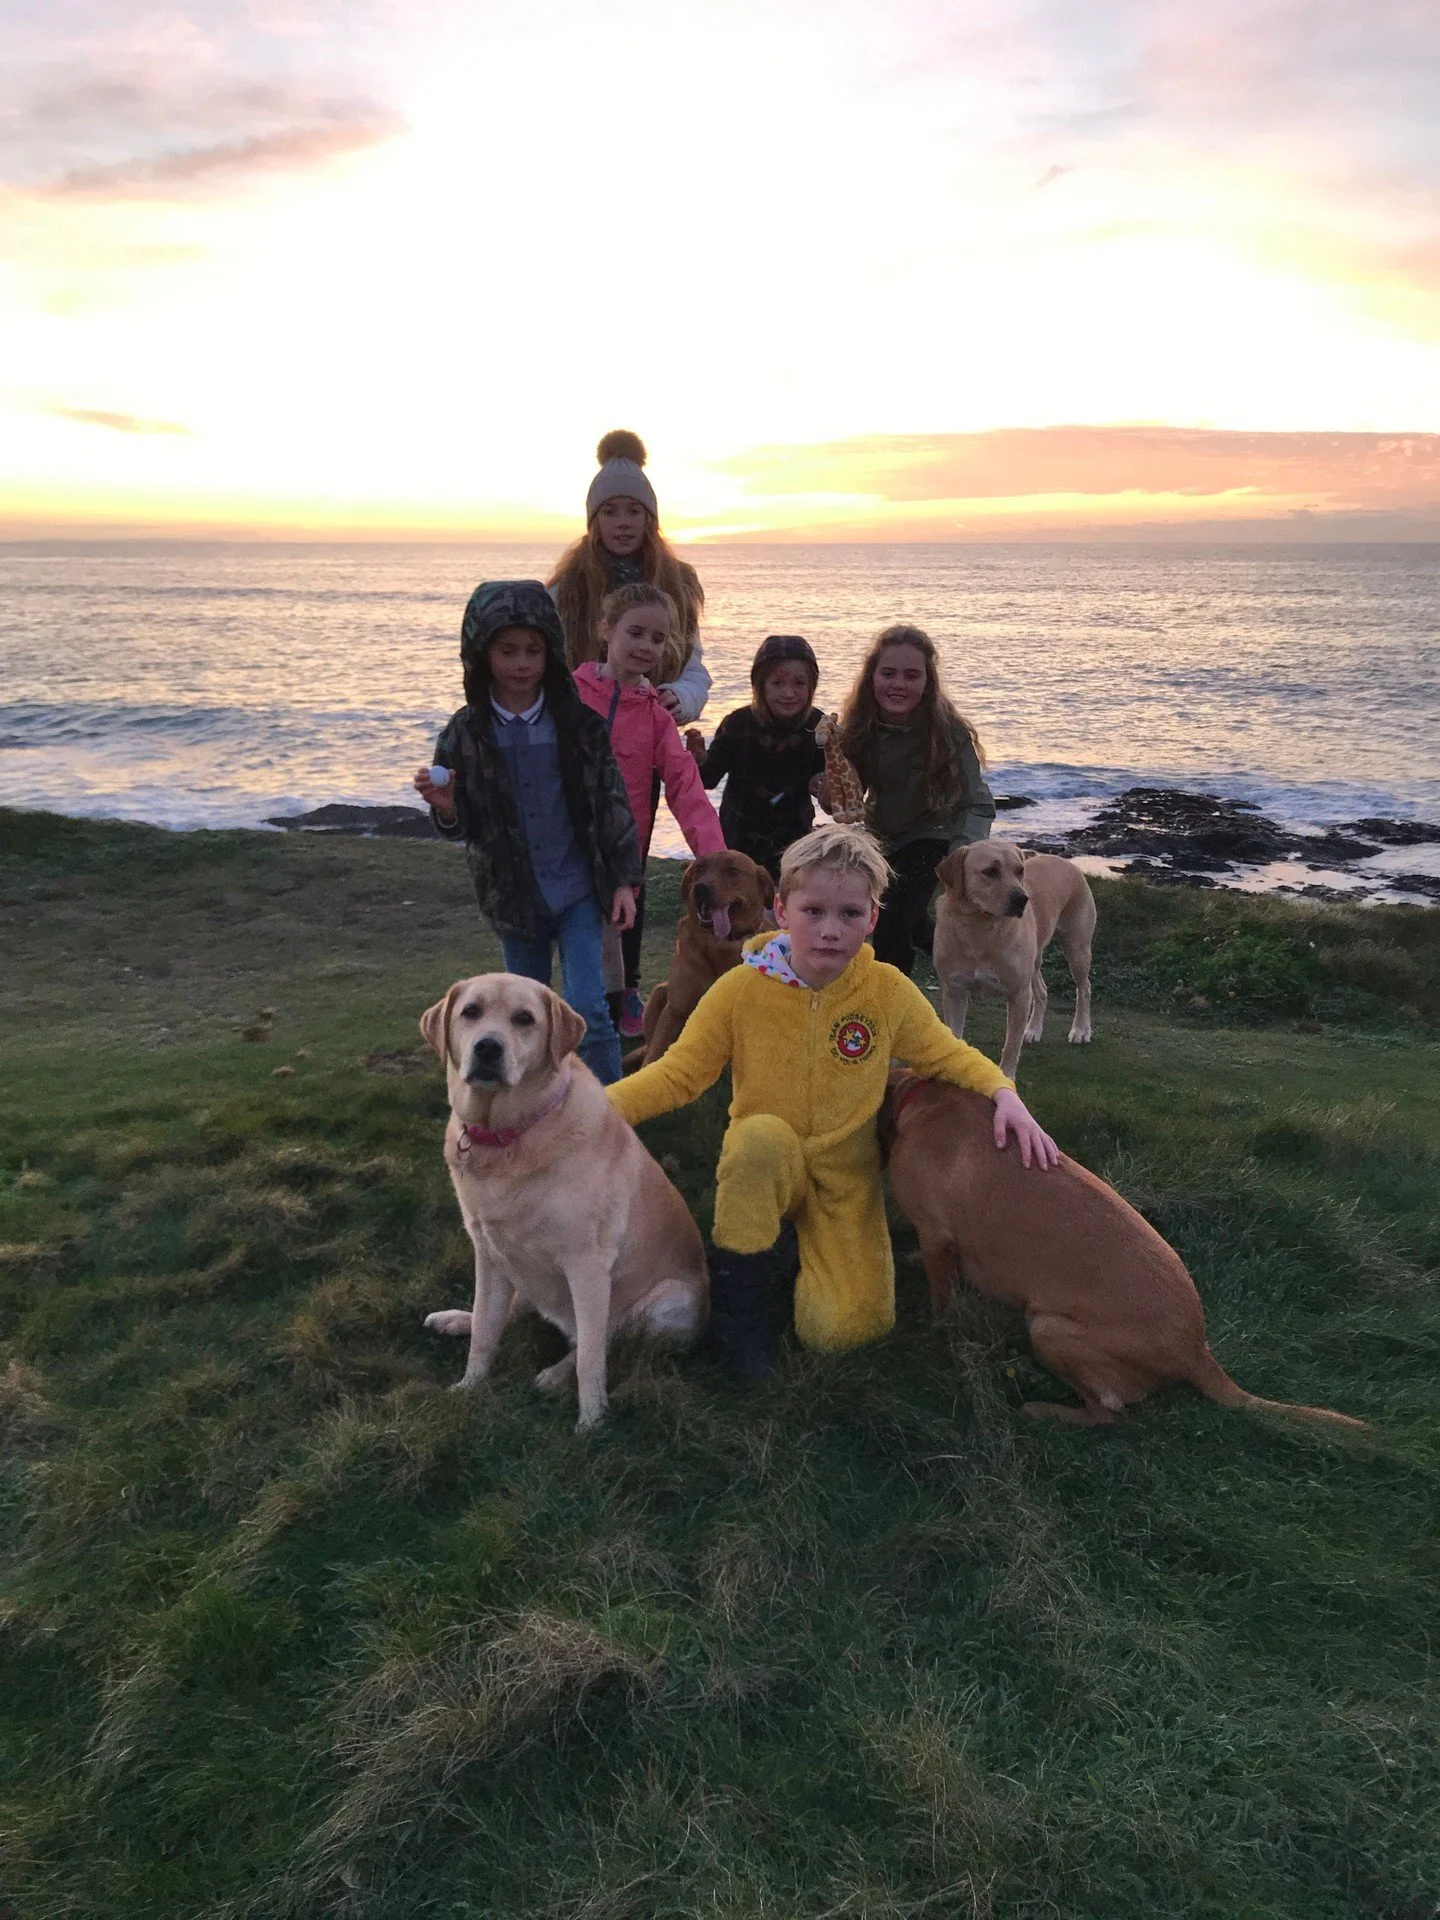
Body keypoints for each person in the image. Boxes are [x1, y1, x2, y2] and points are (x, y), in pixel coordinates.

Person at [606, 823, 1057, 1380]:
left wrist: (1002, 1093)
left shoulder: (886, 991)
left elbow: (947, 1054)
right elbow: (677, 1074)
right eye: (813, 911)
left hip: (845, 1178)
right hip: (766, 1162)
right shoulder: (741, 989)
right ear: (781, 909)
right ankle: (738, 1318)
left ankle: (806, 1250)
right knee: (755, 1141)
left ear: (871, 919)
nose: (829, 931)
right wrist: (598, 1109)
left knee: (846, 1331)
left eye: (849, 915)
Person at [413, 579, 641, 1086]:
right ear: (481, 655)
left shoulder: (579, 726)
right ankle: (534, 1107)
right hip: (513, 901)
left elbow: (611, 805)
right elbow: (460, 828)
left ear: (551, 653)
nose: (521, 663)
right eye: (507, 650)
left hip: (578, 891)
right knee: (520, 1015)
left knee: (589, 1008)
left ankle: (613, 1113)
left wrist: (624, 881)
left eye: (534, 650)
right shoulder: (463, 734)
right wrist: (447, 808)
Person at [574, 581, 726, 1038]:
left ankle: (615, 1011)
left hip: (625, 850)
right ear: (606, 630)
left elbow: (686, 789)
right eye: (635, 633)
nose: (646, 646)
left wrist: (715, 860)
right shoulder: (569, 695)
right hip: (567, 842)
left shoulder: (657, 715)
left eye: (657, 639)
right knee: (570, 934)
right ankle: (562, 1014)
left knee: (617, 932)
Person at [838, 623, 996, 978]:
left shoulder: (949, 730)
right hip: (881, 837)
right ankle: (953, 950)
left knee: (892, 924)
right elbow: (848, 801)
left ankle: (889, 1008)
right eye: (888, 673)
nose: (898, 684)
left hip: (934, 833)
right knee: (901, 919)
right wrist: (826, 789)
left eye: (912, 675)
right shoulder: (860, 726)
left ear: (927, 684)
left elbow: (976, 802)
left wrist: (962, 855)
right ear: (872, 676)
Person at [548, 430, 711, 724]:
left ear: (649, 519)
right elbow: (547, 671)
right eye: (610, 511)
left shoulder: (678, 585)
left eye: (634, 511)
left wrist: (680, 696)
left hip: (651, 735)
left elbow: (694, 669)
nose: (623, 522)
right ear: (595, 521)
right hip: (582, 738)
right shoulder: (567, 590)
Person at [687, 633, 827, 882]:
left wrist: (823, 783)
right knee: (739, 910)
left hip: (794, 841)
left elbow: (826, 782)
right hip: (739, 840)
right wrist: (698, 759)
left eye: (799, 683)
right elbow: (708, 779)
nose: (789, 693)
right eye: (777, 683)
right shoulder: (738, 724)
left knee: (787, 910)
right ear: (760, 685)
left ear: (812, 686)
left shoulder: (818, 726)